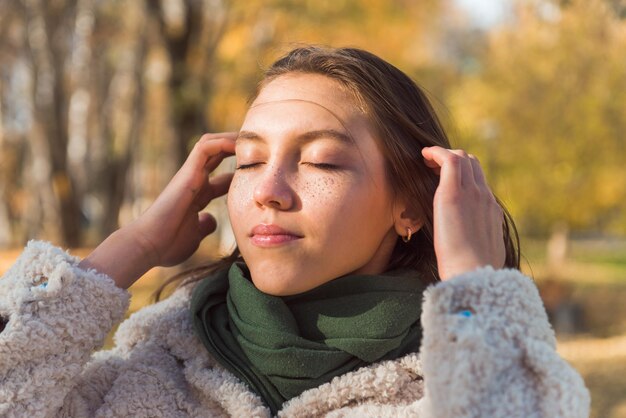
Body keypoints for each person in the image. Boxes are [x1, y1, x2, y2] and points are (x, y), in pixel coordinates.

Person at [0, 46, 589, 417]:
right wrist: (132, 249)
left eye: (323, 162)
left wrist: (476, 293)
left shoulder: (444, 386)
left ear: (412, 208)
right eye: (250, 161)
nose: (267, 190)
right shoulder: (150, 373)